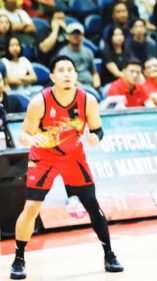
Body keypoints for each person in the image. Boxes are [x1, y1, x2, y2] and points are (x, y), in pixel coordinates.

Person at [10, 56, 123, 279]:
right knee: (32, 207)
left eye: (70, 70)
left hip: (73, 157)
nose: (67, 74)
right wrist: (32, 140)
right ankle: (19, 258)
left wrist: (95, 138)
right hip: (44, 158)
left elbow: (98, 130)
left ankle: (109, 254)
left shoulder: (87, 100)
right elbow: (24, 134)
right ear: (52, 77)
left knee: (92, 203)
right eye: (61, 70)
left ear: (75, 74)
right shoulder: (39, 102)